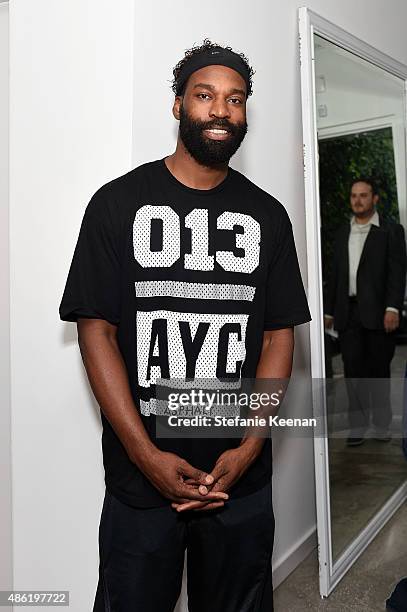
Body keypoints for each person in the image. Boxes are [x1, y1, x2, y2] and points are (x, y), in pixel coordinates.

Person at [59, 38, 311, 612]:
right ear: (178, 106)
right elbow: (94, 330)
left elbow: (278, 336)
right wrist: (145, 456)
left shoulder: (268, 217)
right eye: (205, 95)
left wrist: (249, 447)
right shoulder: (117, 205)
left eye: (235, 99)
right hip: (140, 474)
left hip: (239, 478)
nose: (221, 110)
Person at [324, 178, 406, 446]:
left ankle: (382, 426)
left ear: (375, 199)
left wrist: (393, 307)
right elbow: (334, 274)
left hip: (381, 314)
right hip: (348, 314)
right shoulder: (341, 233)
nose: (357, 200)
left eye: (363, 195)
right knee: (353, 373)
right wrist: (329, 310)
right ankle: (357, 428)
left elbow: (397, 273)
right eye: (354, 195)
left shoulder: (391, 231)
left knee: (378, 371)